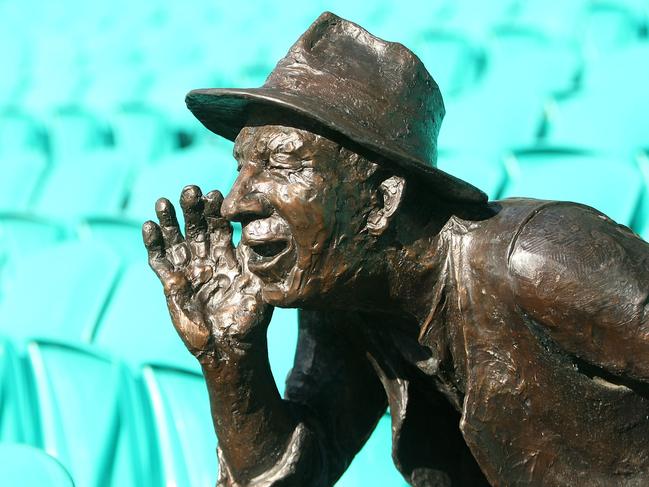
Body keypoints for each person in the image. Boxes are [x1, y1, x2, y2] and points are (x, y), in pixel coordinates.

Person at [142, 12, 649, 487]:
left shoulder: (542, 257)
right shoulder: (346, 298)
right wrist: (230, 358)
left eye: (281, 164)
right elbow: (296, 473)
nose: (234, 203)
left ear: (383, 199)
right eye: (242, 167)